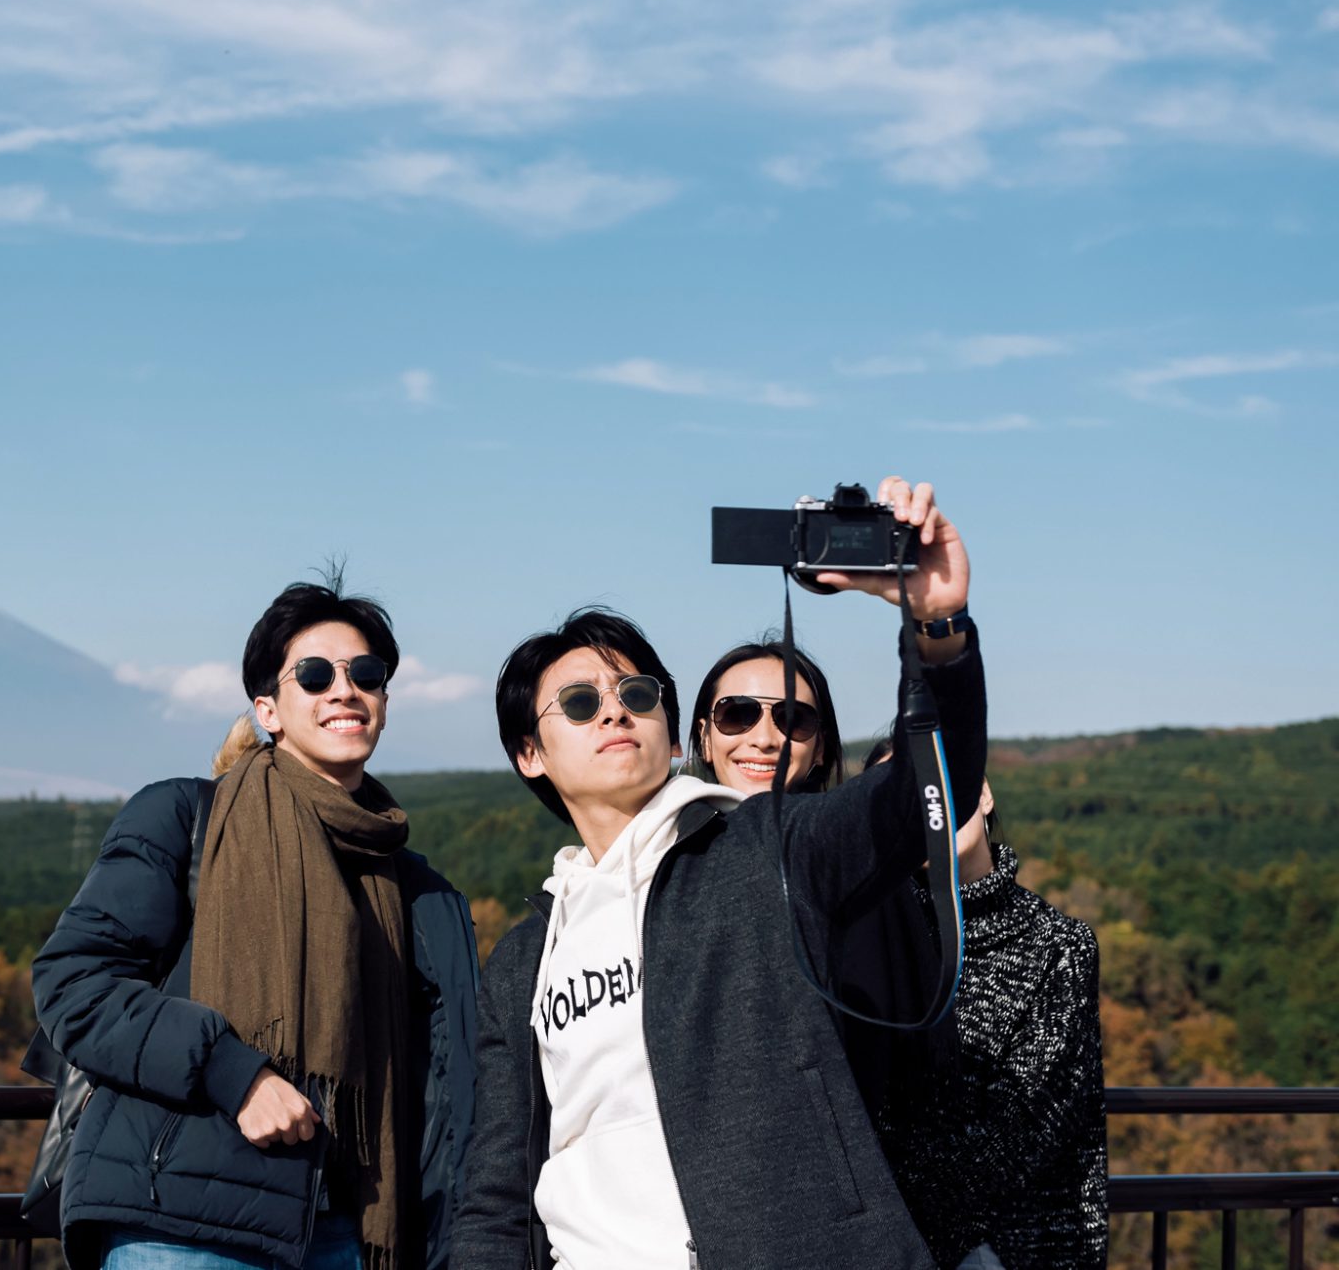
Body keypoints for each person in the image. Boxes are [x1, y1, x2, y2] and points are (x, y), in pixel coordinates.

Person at [454, 476, 984, 1270]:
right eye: (577, 701)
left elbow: (922, 794)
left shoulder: (765, 844)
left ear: (673, 736)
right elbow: (495, 1189)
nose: (613, 709)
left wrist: (936, 627)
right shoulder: (524, 959)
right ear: (529, 754)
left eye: (636, 692)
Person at [33, 576, 480, 1270]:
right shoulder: (186, 820)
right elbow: (73, 981)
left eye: (366, 673)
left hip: (351, 1233)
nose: (344, 690)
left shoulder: (415, 889)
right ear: (268, 708)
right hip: (181, 1225)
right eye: (314, 673)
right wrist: (234, 1072)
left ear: (385, 702)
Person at [684, 637, 962, 1252]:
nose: (763, 736)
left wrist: (938, 634)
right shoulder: (661, 879)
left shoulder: (855, 879)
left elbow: (914, 1081)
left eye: (793, 719)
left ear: (819, 748)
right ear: (703, 737)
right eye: (737, 713)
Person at [859, 740, 1109, 1270]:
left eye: (943, 785)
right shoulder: (865, 942)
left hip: (1011, 1251)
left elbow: (1016, 1139)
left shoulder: (1058, 947)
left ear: (985, 793)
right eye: (901, 798)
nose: (928, 807)